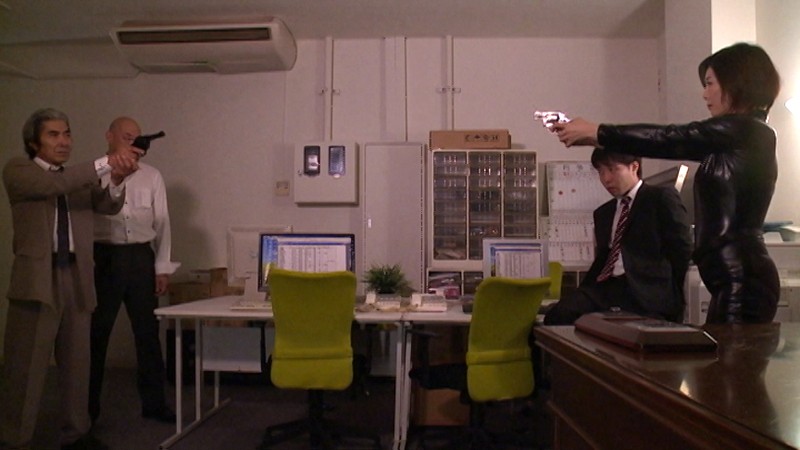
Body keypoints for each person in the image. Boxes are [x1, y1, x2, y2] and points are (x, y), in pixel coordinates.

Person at [551, 42, 781, 324]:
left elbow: (670, 138)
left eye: (710, 83)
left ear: (737, 82)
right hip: (731, 278)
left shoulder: (746, 130)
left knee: (728, 354)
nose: (704, 93)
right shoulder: (739, 135)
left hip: (742, 279)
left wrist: (597, 132)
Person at [1, 108, 140, 450]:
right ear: (33, 142)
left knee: (78, 365)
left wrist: (117, 179)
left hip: (77, 277)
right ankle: (15, 438)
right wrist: (107, 161)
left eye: (67, 133)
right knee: (25, 366)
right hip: (37, 279)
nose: (63, 141)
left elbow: (107, 205)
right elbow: (53, 184)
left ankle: (76, 434)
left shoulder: (77, 178)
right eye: (53, 134)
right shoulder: (19, 170)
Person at [89, 117, 180, 424]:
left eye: (136, 137)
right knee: (95, 334)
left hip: (141, 258)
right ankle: (87, 410)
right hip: (104, 257)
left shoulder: (151, 176)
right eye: (126, 137)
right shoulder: (93, 173)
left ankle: (154, 404)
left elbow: (163, 223)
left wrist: (162, 268)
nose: (134, 143)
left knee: (147, 334)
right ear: (109, 136)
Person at [543, 148, 692, 325]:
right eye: (601, 172)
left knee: (623, 331)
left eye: (612, 169)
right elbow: (603, 257)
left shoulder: (659, 198)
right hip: (606, 287)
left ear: (634, 167)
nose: (606, 179)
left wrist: (670, 295)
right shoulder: (603, 213)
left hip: (645, 290)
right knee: (557, 314)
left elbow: (682, 249)